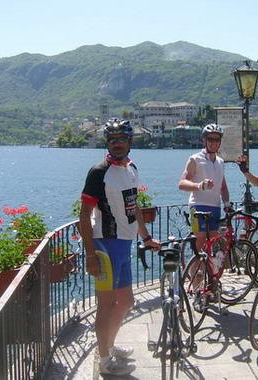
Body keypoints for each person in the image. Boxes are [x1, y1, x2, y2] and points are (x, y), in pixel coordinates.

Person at [79, 118, 160, 376]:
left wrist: (146, 238)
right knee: (106, 304)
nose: (117, 144)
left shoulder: (131, 168)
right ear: (107, 143)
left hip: (124, 245)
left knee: (126, 302)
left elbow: (134, 206)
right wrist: (90, 255)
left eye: (122, 139)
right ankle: (104, 360)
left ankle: (109, 346)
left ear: (130, 141)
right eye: (112, 140)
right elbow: (84, 215)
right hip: (105, 245)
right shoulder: (98, 172)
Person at [178, 124, 231, 252]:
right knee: (200, 240)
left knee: (213, 243)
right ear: (204, 140)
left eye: (217, 140)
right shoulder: (195, 159)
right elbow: (182, 184)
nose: (214, 143)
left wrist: (226, 204)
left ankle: (208, 266)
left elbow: (223, 187)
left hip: (215, 206)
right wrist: (199, 185)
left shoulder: (220, 162)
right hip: (198, 205)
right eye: (210, 139)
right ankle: (195, 265)